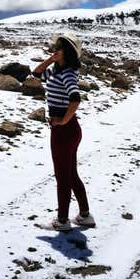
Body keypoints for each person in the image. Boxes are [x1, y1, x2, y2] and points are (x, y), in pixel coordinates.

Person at [32, 33, 95, 231]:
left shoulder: (67, 73)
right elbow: (36, 74)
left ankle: (62, 221)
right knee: (70, 174)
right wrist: (51, 59)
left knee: (62, 176)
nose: (54, 49)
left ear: (67, 51)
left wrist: (62, 121)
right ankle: (85, 215)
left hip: (65, 131)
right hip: (68, 130)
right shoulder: (55, 70)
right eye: (54, 46)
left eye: (58, 47)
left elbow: (75, 99)